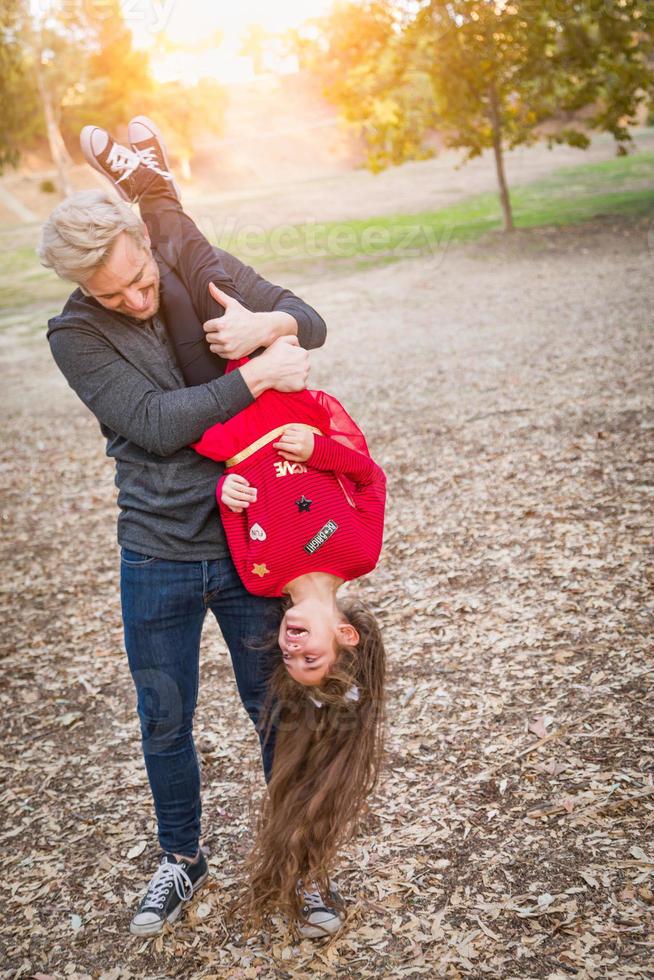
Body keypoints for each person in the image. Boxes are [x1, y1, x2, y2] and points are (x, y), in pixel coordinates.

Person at [38, 116, 329, 938]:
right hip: (156, 551)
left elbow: (309, 318)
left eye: (137, 278)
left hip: (249, 543)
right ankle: (182, 857)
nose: (134, 299)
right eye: (112, 294)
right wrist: (260, 379)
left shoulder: (187, 267)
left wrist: (266, 332)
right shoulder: (73, 334)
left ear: (142, 240)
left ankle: (299, 861)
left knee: (275, 707)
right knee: (163, 714)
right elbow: (157, 421)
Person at [100, 120, 388, 938]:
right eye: (314, 648)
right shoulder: (360, 551)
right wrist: (279, 355)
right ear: (350, 637)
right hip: (279, 402)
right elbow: (367, 472)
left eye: (293, 651)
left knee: (189, 285)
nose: (295, 644)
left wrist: (233, 489)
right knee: (199, 266)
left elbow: (246, 519)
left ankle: (149, 181)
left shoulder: (264, 583)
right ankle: (150, 183)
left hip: (226, 417)